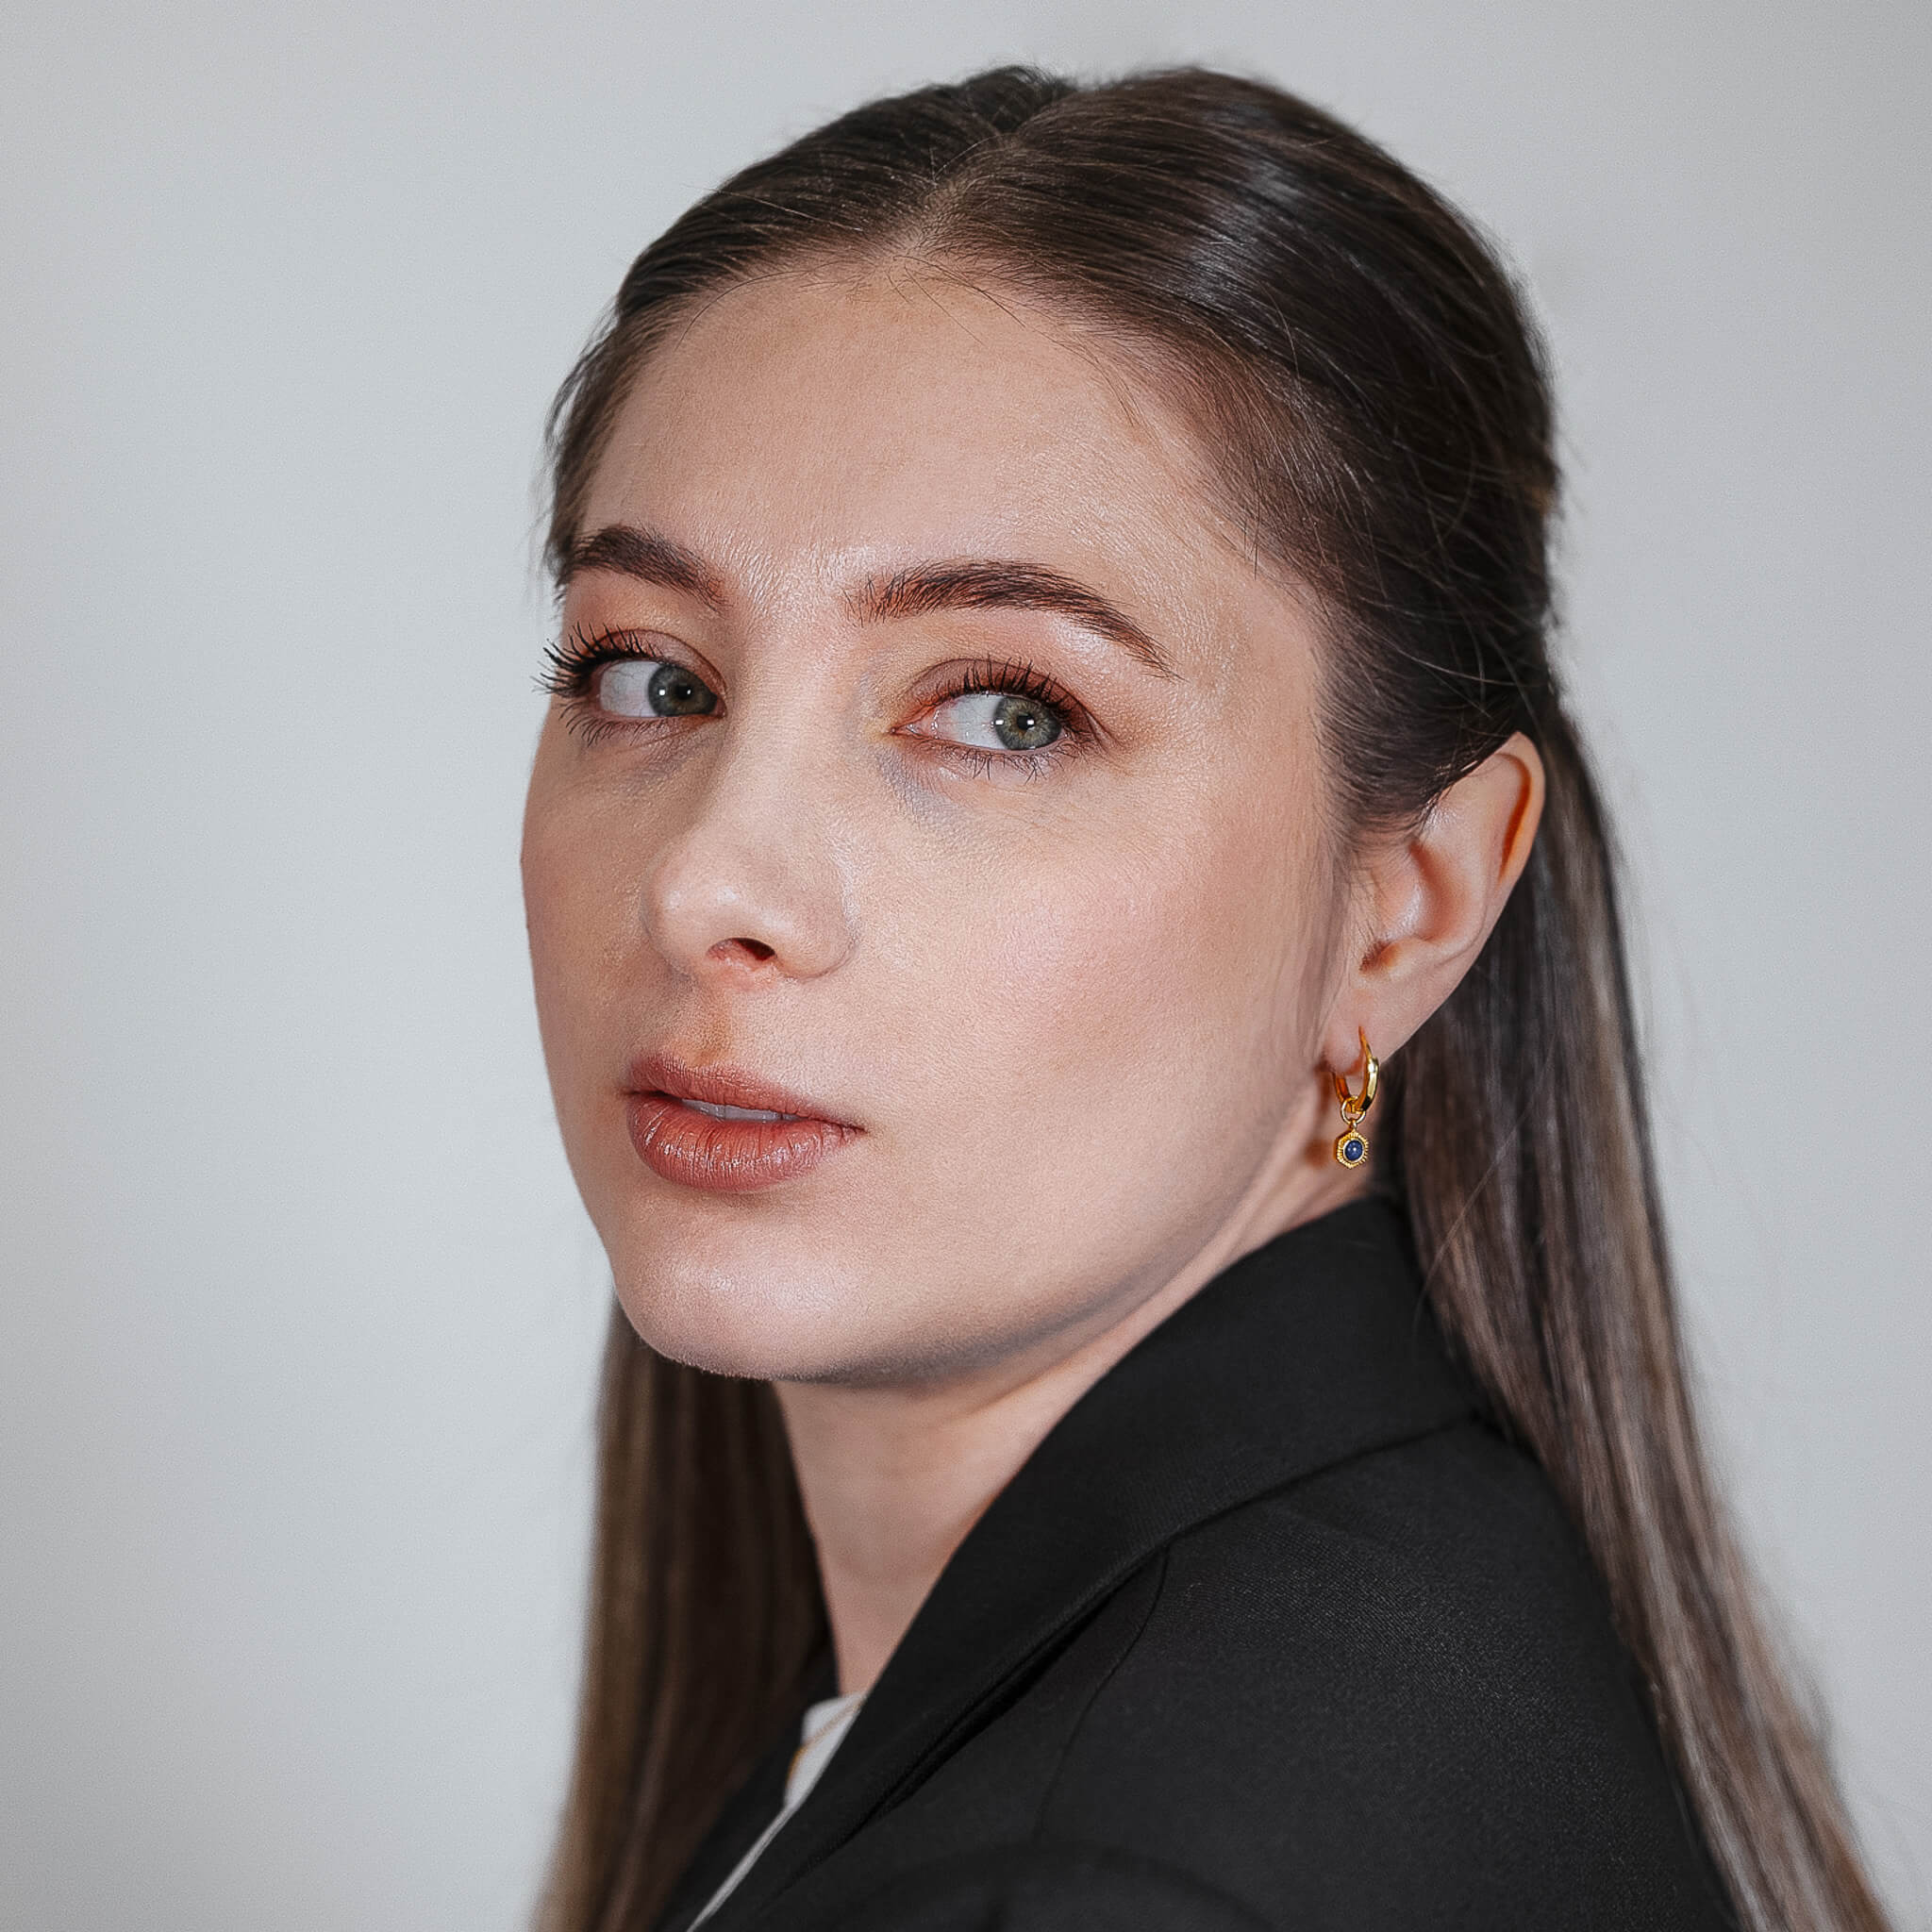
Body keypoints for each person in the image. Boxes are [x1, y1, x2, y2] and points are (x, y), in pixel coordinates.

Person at [519, 66, 1889, 1932]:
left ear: (1400, 910)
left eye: (1007, 710)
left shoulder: (1108, 1872)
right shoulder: (1393, 1614)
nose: (707, 885)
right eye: (651, 676)